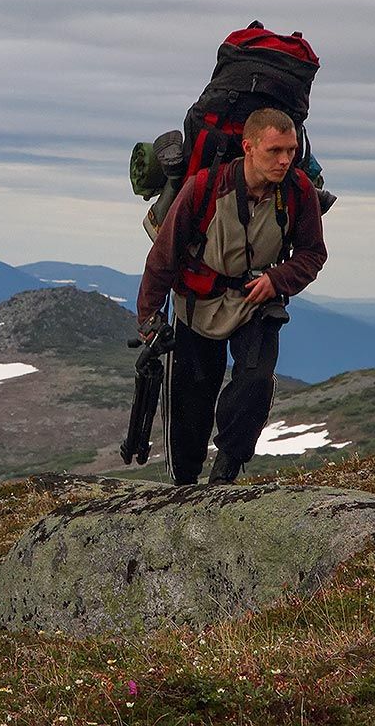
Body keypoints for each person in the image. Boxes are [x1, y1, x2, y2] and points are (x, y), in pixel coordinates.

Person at [135, 108, 327, 485]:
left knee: (256, 382)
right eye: (274, 151)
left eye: (290, 150)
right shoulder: (205, 187)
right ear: (249, 147)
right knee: (191, 401)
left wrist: (278, 279)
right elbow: (164, 255)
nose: (285, 159)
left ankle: (226, 469)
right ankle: (184, 487)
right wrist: (149, 315)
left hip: (256, 303)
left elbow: (313, 254)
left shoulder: (298, 191)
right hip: (196, 304)